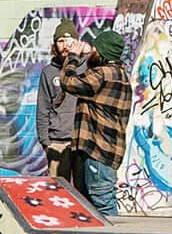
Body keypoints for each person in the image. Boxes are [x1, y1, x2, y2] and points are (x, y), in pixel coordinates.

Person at [52, 27, 132, 217]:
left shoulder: (102, 74)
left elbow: (68, 82)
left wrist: (73, 56)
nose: (91, 52)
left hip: (98, 151)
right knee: (93, 206)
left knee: (102, 204)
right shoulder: (120, 75)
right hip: (107, 151)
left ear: (103, 52)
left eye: (96, 49)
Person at [39, 23, 83, 184]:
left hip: (81, 141)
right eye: (61, 41)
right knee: (57, 190)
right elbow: (43, 108)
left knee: (83, 192)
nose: (65, 45)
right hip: (57, 141)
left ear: (77, 43)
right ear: (55, 44)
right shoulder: (49, 72)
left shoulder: (85, 69)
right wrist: (46, 142)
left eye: (69, 40)